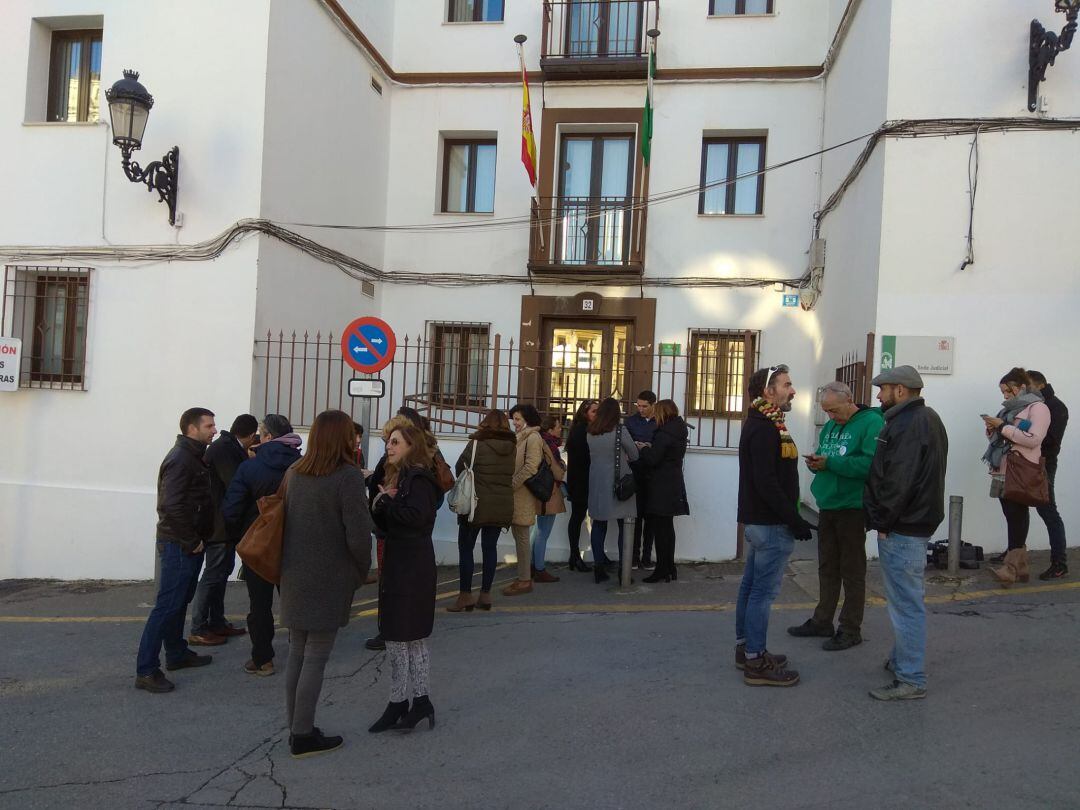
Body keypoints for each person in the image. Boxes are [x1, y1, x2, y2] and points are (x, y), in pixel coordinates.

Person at [279, 410, 372, 758]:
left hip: (293, 574)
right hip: (329, 576)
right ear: (343, 438)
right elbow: (359, 535)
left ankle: (296, 728)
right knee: (315, 656)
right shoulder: (346, 476)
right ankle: (302, 735)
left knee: (298, 654)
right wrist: (361, 570)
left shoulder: (295, 472)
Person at [865, 365, 947, 701]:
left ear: (900, 390)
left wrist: (883, 522)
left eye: (883, 389)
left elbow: (898, 480)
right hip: (912, 522)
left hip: (902, 526)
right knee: (905, 601)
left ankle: (911, 678)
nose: (879, 396)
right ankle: (902, 660)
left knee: (905, 605)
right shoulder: (925, 418)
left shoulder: (908, 423)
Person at [788, 382, 883, 651]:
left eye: (834, 410)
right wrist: (818, 463)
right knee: (827, 567)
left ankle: (851, 628)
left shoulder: (871, 424)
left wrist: (830, 463)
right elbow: (829, 456)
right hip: (828, 503)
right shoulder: (831, 426)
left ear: (849, 400)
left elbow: (870, 465)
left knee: (852, 570)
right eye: (826, 411)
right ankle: (822, 620)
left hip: (852, 506)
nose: (830, 417)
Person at [735, 365, 811, 687]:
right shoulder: (766, 428)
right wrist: (795, 520)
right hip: (770, 525)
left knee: (751, 588)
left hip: (762, 523)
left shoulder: (766, 422)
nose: (792, 391)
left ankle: (747, 650)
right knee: (762, 594)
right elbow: (767, 482)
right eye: (787, 385)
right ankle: (755, 660)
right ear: (769, 392)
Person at [134, 408, 217, 694]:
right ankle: (146, 670)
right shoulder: (181, 459)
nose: (214, 430)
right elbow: (171, 505)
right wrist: (190, 539)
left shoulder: (193, 456)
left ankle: (177, 653)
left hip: (187, 542)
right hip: (179, 544)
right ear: (192, 429)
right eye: (209, 425)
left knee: (179, 602)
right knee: (167, 605)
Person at [368, 423, 440, 734]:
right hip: (406, 562)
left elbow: (415, 518)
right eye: (388, 442)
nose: (389, 447)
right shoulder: (404, 477)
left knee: (404, 637)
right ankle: (408, 702)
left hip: (412, 566)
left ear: (412, 446)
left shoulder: (419, 479)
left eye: (396, 442)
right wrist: (383, 501)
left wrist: (386, 503)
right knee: (403, 638)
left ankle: (409, 702)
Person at [223, 413, 302, 676]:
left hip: (259, 545)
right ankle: (301, 654)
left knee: (259, 604)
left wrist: (240, 537)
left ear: (267, 436)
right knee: (293, 599)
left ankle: (262, 659)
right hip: (293, 542)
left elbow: (231, 508)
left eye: (261, 434)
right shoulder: (302, 465)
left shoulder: (250, 467)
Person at [189, 414, 259, 646]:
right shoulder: (224, 450)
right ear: (250, 435)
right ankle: (199, 627)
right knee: (213, 576)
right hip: (219, 526)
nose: (214, 430)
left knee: (220, 575)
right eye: (209, 425)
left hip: (224, 525)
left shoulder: (226, 448)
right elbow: (237, 484)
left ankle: (216, 622)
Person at [982, 367, 1051, 586]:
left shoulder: (1038, 408)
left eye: (1008, 391)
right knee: (1012, 514)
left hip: (1021, 468)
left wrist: (1002, 426)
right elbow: (1005, 435)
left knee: (1016, 514)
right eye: (1002, 392)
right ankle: (1019, 567)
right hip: (1003, 468)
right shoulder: (1010, 409)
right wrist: (993, 429)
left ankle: (1011, 568)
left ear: (1021, 387)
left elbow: (1032, 439)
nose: (1005, 396)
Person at [448, 410, 515, 612]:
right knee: (490, 548)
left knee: (466, 548)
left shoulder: (477, 443)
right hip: (501, 503)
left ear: (485, 423)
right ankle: (485, 595)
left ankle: (465, 596)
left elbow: (460, 466)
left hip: (475, 505)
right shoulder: (512, 446)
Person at [586, 398, 639, 584]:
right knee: (625, 526)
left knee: (598, 525)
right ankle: (623, 572)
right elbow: (634, 454)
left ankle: (598, 567)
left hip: (597, 483)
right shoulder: (620, 431)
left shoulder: (591, 432)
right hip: (619, 484)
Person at [636, 399, 689, 583]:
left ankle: (661, 570)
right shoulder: (677, 429)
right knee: (667, 528)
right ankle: (669, 567)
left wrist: (643, 450)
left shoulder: (664, 433)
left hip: (661, 485)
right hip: (672, 482)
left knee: (660, 529)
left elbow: (653, 459)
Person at [1027, 370, 1069, 580]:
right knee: (1018, 504)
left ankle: (1059, 562)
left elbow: (1051, 441)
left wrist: (1027, 437)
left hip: (1043, 465)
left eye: (1028, 386)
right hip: (1029, 463)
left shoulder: (1055, 407)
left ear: (1039, 385)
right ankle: (1014, 554)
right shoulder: (1037, 405)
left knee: (1048, 511)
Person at [503, 404, 545, 596]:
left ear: (527, 419)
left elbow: (531, 467)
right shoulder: (522, 437)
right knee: (519, 537)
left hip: (522, 494)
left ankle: (525, 580)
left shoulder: (533, 437)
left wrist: (512, 483)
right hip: (516, 494)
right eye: (514, 419)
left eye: (518, 419)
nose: (515, 423)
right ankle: (523, 577)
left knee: (522, 537)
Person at [531, 415, 566, 583]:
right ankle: (539, 568)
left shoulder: (538, 441)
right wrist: (563, 467)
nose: (561, 429)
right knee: (543, 532)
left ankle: (532, 565)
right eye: (558, 427)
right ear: (550, 430)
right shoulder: (550, 445)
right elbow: (556, 469)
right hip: (549, 490)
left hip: (539, 489)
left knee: (537, 531)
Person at [564, 399, 598, 572]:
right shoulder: (582, 431)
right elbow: (585, 458)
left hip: (580, 481)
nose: (597, 415)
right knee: (577, 518)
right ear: (585, 413)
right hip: (581, 482)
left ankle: (575, 556)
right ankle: (575, 556)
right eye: (594, 411)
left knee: (578, 518)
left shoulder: (582, 430)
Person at [626, 391, 658, 569]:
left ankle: (646, 557)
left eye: (644, 406)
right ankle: (634, 557)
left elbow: (659, 445)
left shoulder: (659, 422)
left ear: (653, 405)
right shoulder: (631, 421)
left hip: (653, 475)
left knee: (651, 519)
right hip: (636, 473)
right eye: (638, 405)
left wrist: (647, 445)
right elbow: (628, 444)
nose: (641, 409)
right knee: (636, 518)